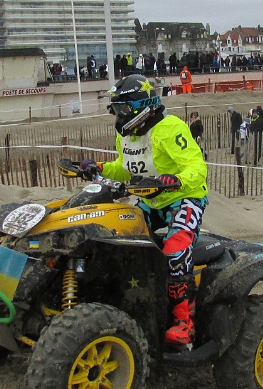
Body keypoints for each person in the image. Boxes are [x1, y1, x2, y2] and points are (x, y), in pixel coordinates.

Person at [80, 74, 208, 347]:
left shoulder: (170, 128)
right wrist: (99, 169)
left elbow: (197, 167)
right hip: (149, 199)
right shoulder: (127, 136)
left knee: (175, 249)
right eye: (116, 110)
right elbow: (124, 168)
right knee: (122, 240)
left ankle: (185, 321)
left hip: (184, 198)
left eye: (124, 109)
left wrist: (175, 179)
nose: (119, 115)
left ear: (143, 106)